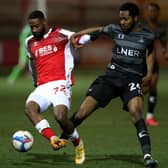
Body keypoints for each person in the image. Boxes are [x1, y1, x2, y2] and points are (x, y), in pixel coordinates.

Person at [61, 2, 158, 168]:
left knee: (136, 112)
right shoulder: (115, 30)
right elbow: (99, 31)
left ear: (135, 18)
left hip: (131, 80)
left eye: (126, 19)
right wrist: (78, 35)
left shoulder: (147, 35)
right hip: (111, 78)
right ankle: (63, 138)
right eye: (121, 18)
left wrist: (148, 74)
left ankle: (148, 156)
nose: (122, 22)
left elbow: (150, 51)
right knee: (82, 113)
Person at [25, 10, 86, 164]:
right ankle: (53, 138)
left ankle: (78, 144)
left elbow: (80, 38)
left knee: (60, 116)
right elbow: (32, 61)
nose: (34, 30)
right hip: (43, 85)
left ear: (44, 22)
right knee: (30, 108)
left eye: (37, 26)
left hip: (61, 83)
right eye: (31, 27)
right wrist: (35, 80)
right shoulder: (29, 42)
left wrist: (84, 39)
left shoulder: (62, 34)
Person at [143, 2, 168, 126]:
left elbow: (164, 44)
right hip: (140, 61)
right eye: (150, 10)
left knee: (153, 85)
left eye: (154, 11)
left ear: (158, 13)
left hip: (153, 61)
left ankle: (149, 116)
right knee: (144, 87)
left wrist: (165, 52)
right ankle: (131, 100)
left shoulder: (160, 28)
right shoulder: (141, 26)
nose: (152, 13)